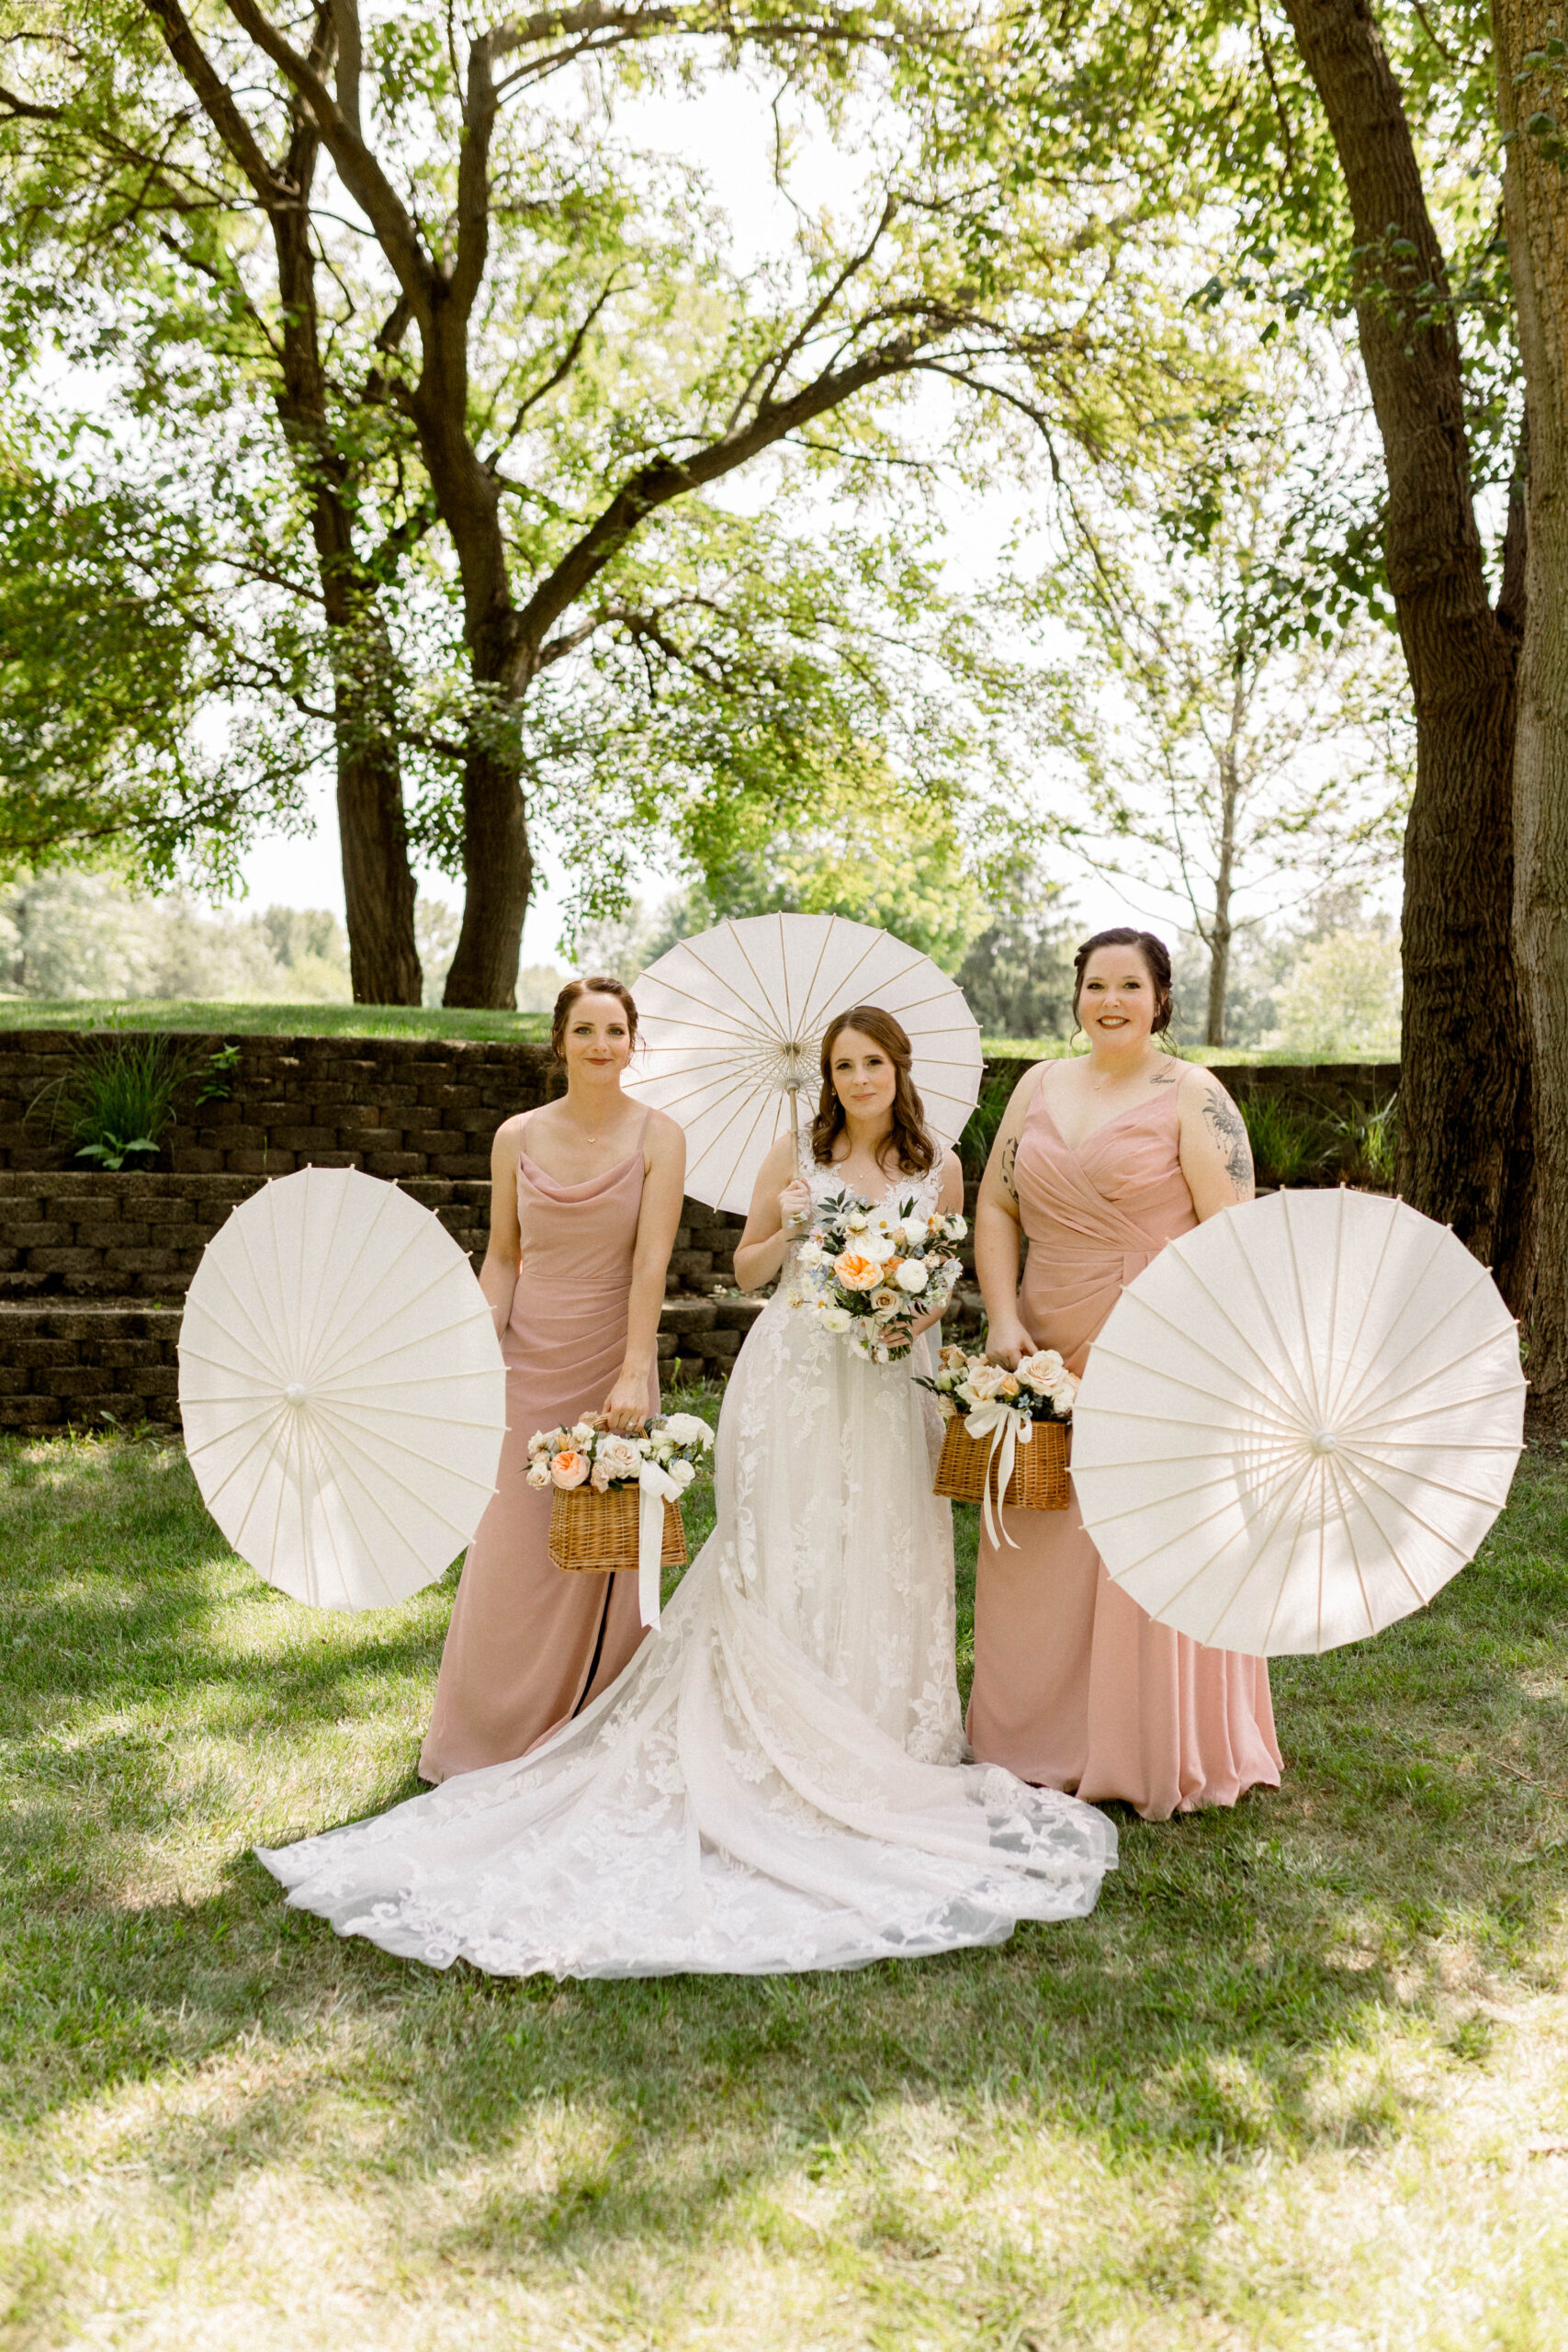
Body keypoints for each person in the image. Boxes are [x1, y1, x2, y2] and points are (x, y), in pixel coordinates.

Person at [259, 1005, 1115, 1975]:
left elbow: (945, 1285)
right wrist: (792, 1224)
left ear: (899, 1068)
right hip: (790, 1381)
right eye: (843, 1064)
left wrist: (902, 1300)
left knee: (884, 1549)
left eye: (873, 1061)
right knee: (782, 1552)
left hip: (885, 1386)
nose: (859, 1077)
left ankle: (881, 1735)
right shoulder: (795, 1152)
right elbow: (747, 1269)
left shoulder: (940, 1168)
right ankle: (769, 1735)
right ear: (827, 1076)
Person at [967, 926, 1282, 1821]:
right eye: (1096, 984)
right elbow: (996, 1203)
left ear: (1160, 999)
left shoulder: (1195, 1095)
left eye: (1129, 986)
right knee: (1042, 1538)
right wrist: (1001, 1313)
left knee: (1142, 1547)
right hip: (1041, 1342)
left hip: (1156, 1347)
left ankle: (1153, 1741)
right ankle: (1032, 1737)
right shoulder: (1036, 1085)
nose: (1110, 1001)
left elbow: (1234, 1240)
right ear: (1077, 994)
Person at [416, 977, 686, 1783]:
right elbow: (503, 1257)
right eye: (585, 1030)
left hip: (612, 1359)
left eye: (616, 1031)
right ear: (559, 1042)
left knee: (603, 1549)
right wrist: (471, 1347)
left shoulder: (659, 1136)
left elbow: (651, 1263)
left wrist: (635, 1370)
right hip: (524, 1359)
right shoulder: (517, 1136)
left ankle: (593, 1725)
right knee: (506, 1547)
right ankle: (488, 1731)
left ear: (633, 1043)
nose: (601, 1045)